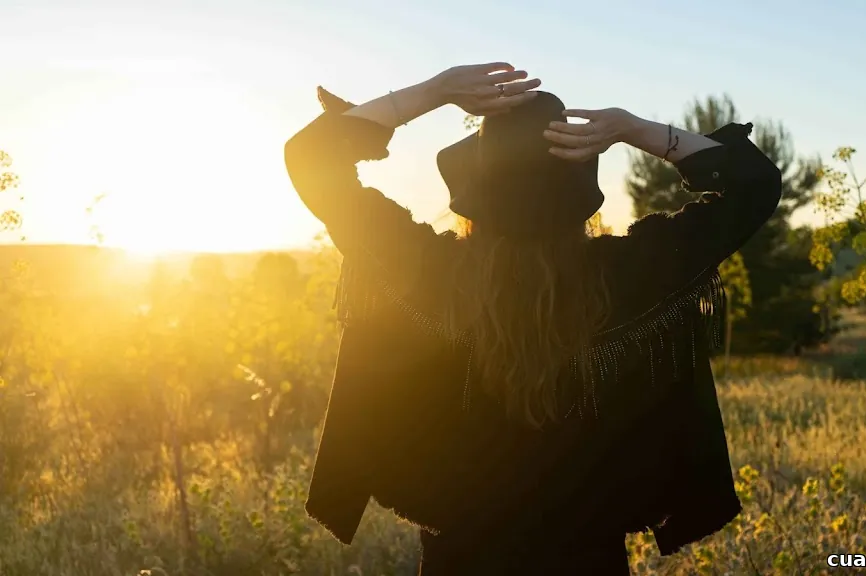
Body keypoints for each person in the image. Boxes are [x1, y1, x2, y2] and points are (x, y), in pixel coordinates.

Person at [284, 62, 782, 576]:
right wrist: (633, 129)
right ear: (579, 189)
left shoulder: (427, 273)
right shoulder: (630, 277)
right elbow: (755, 187)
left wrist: (436, 91)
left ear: (473, 182)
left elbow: (311, 157)